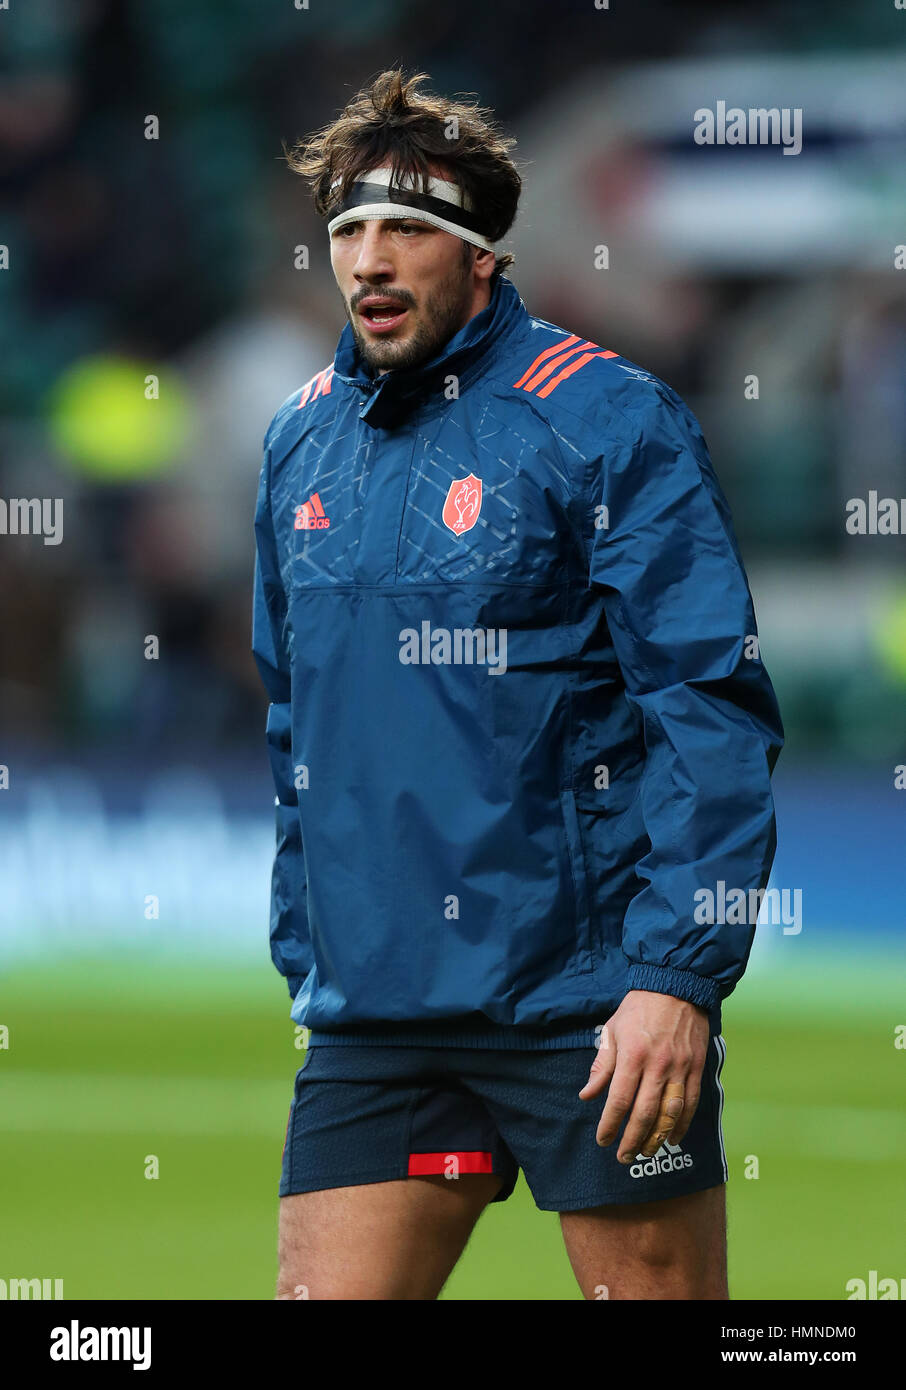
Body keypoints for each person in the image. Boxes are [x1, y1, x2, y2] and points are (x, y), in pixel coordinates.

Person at [252, 68, 784, 1301]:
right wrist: (308, 942)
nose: (369, 260)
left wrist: (676, 975)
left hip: (586, 1007)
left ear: (482, 257)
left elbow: (708, 705)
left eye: (407, 230)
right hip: (376, 1012)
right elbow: (296, 725)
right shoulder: (297, 440)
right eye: (346, 231)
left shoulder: (609, 420)